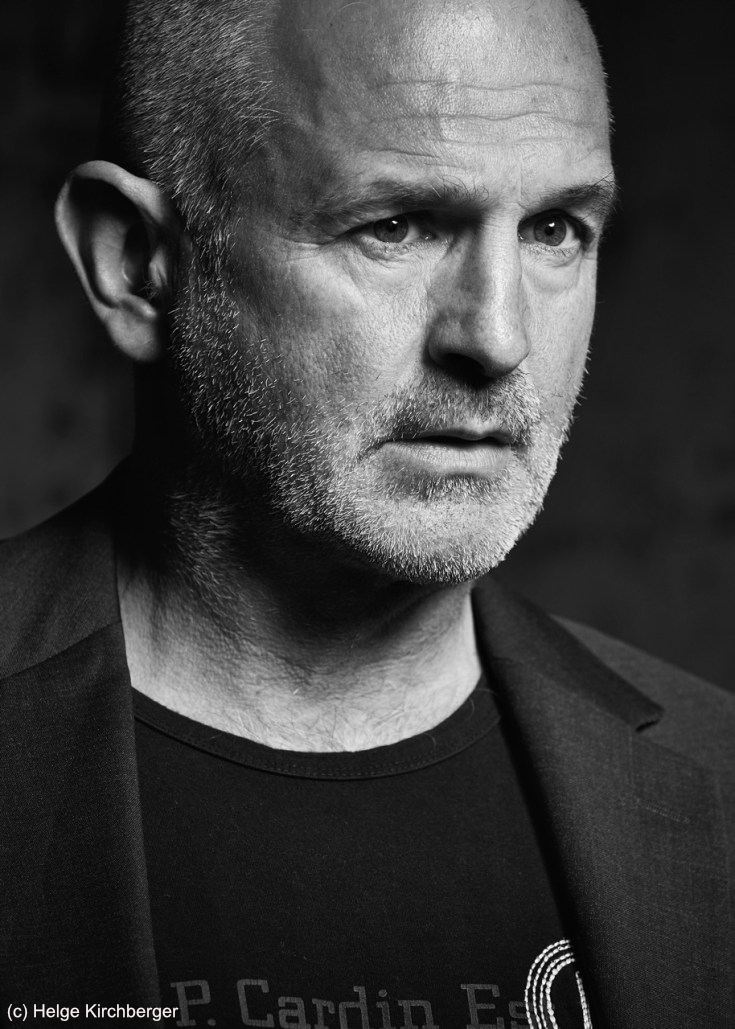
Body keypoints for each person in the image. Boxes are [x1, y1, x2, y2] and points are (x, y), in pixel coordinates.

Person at [1, 0, 733, 1026]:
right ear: (133, 262)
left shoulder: (720, 777)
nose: (498, 338)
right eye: (396, 227)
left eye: (554, 230)